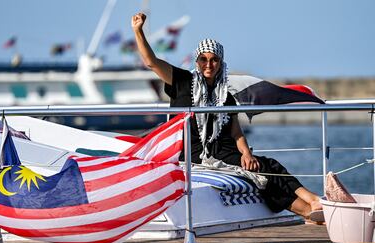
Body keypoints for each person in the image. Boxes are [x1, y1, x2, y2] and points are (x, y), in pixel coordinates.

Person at [132, 13, 323, 221]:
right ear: (196, 61)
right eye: (203, 59)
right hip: (197, 153)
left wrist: (246, 153)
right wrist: (138, 31)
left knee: (267, 164)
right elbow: (151, 62)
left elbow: (236, 132)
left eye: (214, 60)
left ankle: (313, 201)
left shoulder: (225, 94)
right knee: (262, 173)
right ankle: (307, 210)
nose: (209, 64)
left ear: (220, 63)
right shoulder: (182, 81)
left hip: (225, 149)